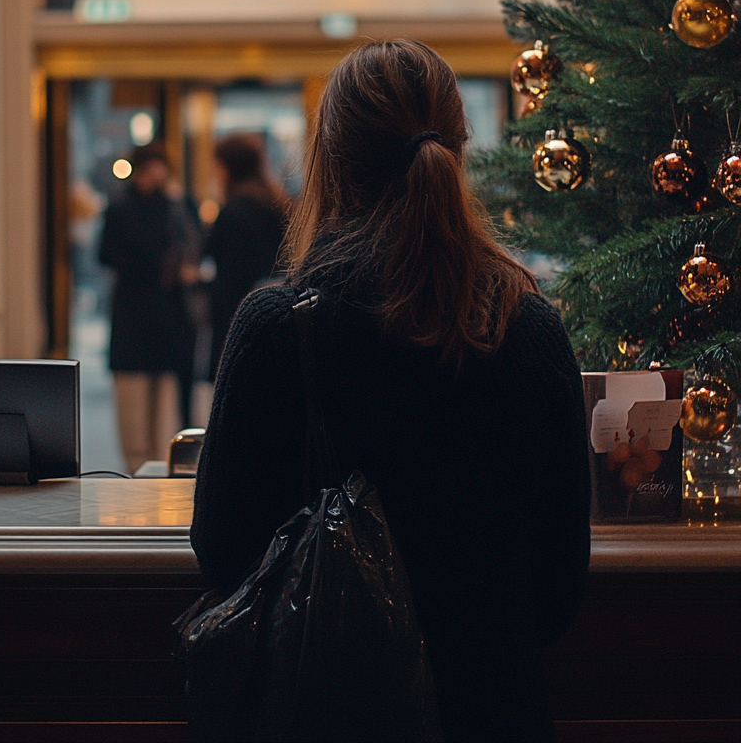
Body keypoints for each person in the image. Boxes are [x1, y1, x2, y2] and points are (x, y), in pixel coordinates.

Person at [191, 40, 591, 742]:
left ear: (329, 164)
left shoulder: (277, 330)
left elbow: (223, 551)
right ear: (457, 151)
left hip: (317, 717)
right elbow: (556, 597)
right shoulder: (528, 331)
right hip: (496, 715)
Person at [99, 142, 196, 473]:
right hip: (133, 315)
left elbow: (192, 243)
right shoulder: (120, 208)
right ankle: (134, 469)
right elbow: (107, 255)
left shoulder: (174, 206)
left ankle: (160, 468)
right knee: (132, 406)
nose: (160, 172)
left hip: (166, 316)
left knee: (164, 407)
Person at [204, 134, 288, 382]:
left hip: (240, 325)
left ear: (227, 168)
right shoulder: (277, 205)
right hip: (274, 320)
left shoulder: (233, 213)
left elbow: (229, 281)